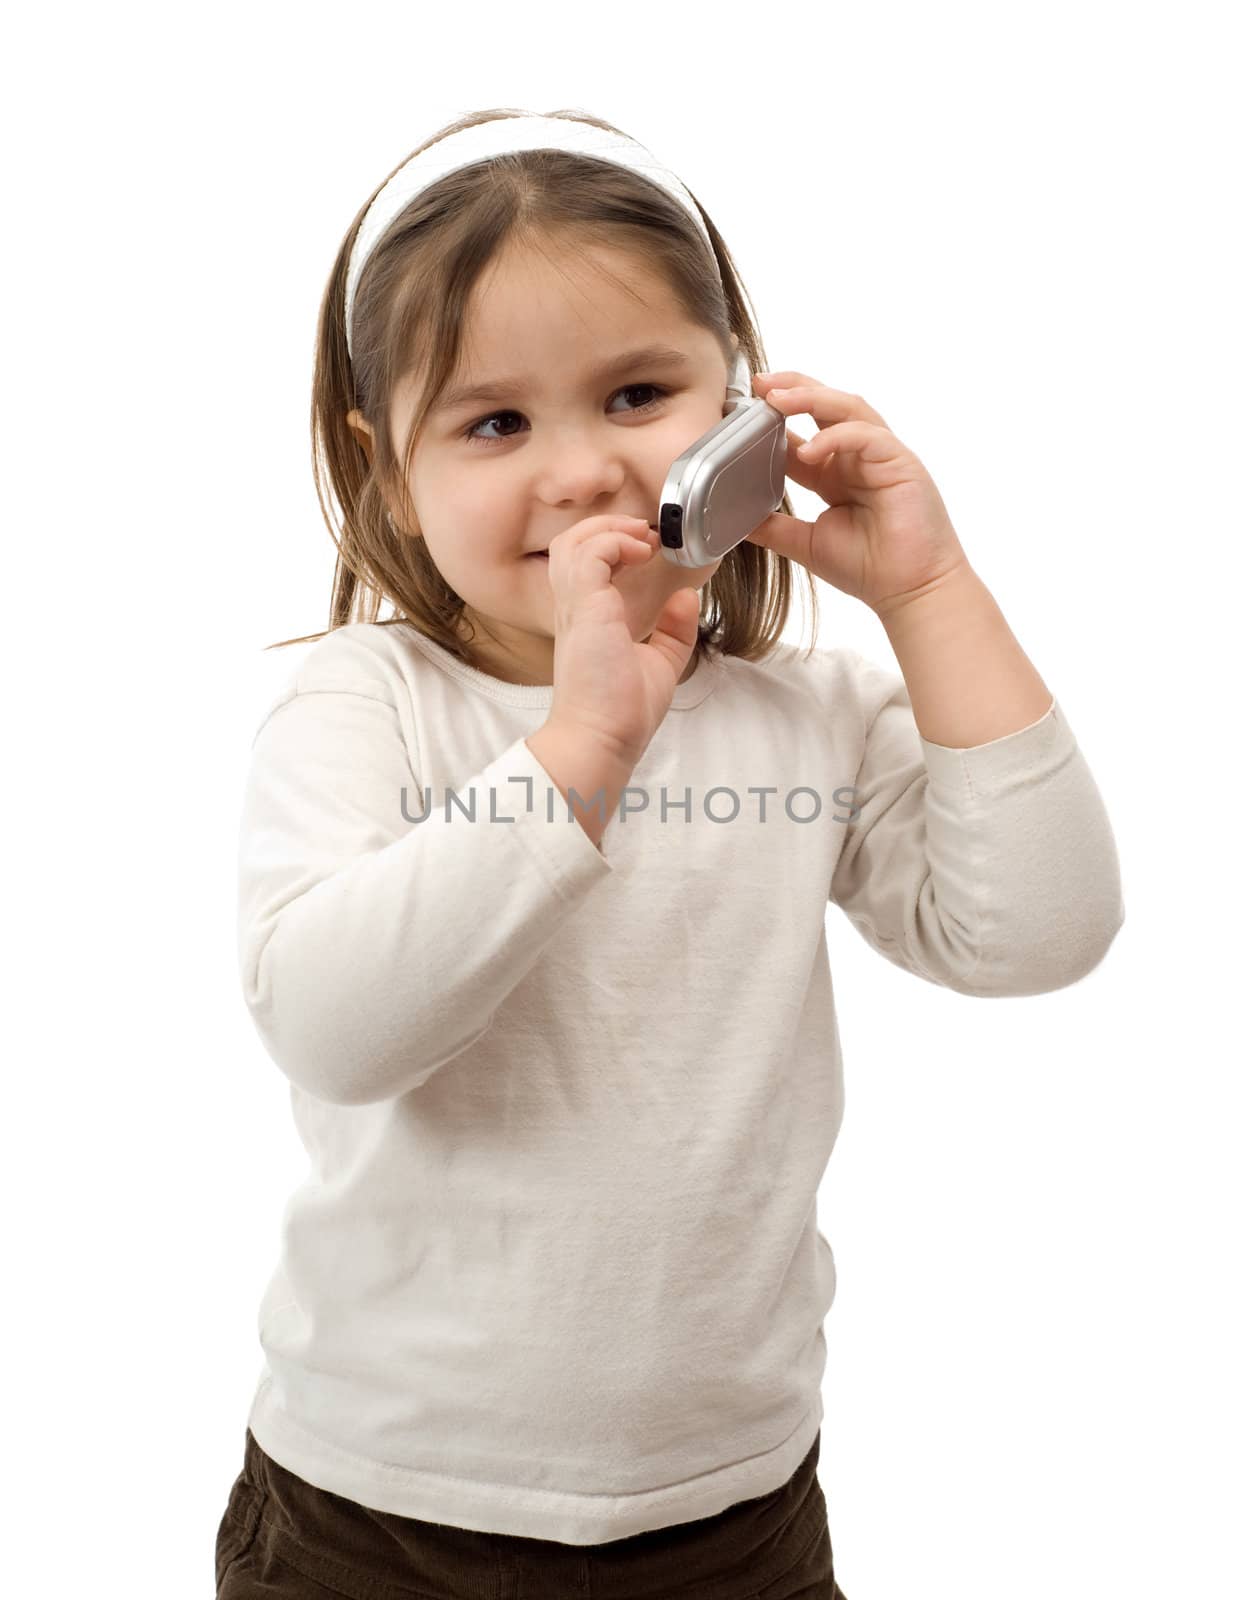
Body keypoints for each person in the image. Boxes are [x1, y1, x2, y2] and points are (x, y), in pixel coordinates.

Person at [214, 106, 1124, 1599]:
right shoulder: (364, 704)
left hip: (733, 1512)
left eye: (636, 392)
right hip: (381, 1510)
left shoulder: (809, 716)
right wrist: (581, 746)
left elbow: (1035, 932)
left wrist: (928, 590)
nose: (578, 471)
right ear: (388, 473)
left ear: (740, 411)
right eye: (495, 422)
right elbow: (330, 1026)